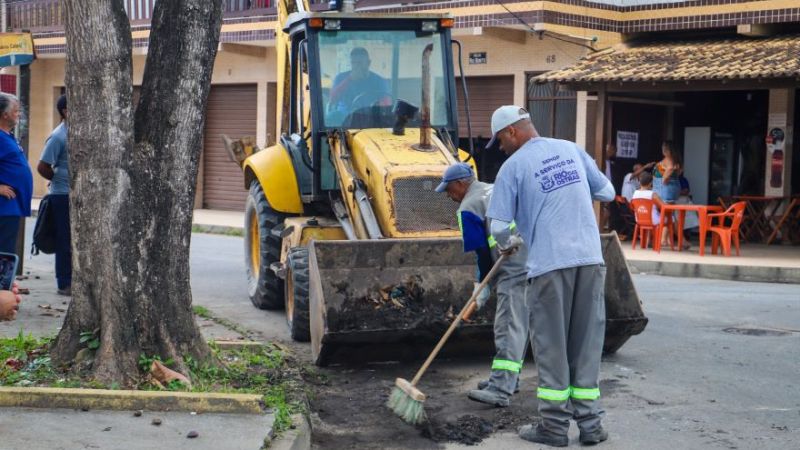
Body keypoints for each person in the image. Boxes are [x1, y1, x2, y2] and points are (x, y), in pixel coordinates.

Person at [485, 105, 614, 447]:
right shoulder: (571, 149)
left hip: (549, 266)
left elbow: (497, 226)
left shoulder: (512, 167)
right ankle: (590, 425)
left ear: (512, 132)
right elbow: (608, 193)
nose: (501, 148)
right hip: (589, 259)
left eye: (500, 140)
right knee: (585, 344)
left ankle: (554, 428)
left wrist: (510, 241)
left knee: (552, 346)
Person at [434, 162, 530, 407]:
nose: (449, 195)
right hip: (533, 257)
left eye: (449, 189)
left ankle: (500, 388)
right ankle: (510, 379)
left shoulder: (468, 207)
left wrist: (481, 284)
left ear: (460, 184)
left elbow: (482, 253)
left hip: (512, 266)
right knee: (519, 324)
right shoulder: (494, 188)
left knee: (507, 326)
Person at [37, 94, 72, 296]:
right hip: (61, 195)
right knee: (64, 239)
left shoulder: (77, 131)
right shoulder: (58, 136)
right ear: (65, 112)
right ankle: (64, 282)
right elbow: (42, 166)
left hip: (75, 195)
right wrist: (57, 179)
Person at [0, 93, 33, 256]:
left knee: (8, 250)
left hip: (12, 205)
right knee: (4, 251)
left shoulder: (8, 136)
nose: (18, 115)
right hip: (4, 206)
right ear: (4, 114)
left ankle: (6, 280)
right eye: (15, 111)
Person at [328, 47, 390, 114]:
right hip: (345, 118)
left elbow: (386, 103)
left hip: (369, 117)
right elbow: (332, 100)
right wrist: (349, 79)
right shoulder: (340, 78)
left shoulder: (379, 81)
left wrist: (377, 107)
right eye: (353, 63)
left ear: (368, 63)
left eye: (359, 63)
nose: (356, 66)